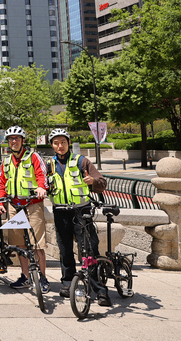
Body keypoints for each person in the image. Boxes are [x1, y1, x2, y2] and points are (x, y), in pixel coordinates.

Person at [47, 128, 111, 306]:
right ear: (52, 145)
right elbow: (44, 185)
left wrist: (93, 182)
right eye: (56, 143)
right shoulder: (49, 164)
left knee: (89, 250)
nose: (60, 146)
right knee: (65, 250)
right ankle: (67, 283)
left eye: (63, 142)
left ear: (68, 143)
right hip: (60, 212)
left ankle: (99, 289)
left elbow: (102, 182)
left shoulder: (82, 161)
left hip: (81, 211)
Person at [0, 125, 50, 293]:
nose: (14, 141)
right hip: (13, 205)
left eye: (17, 138)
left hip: (32, 204)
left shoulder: (33, 156)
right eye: (11, 139)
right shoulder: (6, 162)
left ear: (23, 141)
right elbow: (2, 184)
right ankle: (25, 276)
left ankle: (42, 277)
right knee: (19, 244)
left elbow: (42, 175)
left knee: (37, 244)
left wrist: (42, 188)